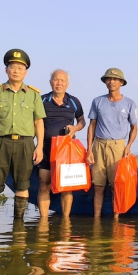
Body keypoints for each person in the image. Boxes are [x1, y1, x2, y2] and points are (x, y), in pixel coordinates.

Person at [0, 49, 46, 220]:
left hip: (25, 143)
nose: (16, 71)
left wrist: (39, 147)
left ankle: (19, 224)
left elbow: (39, 122)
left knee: (22, 185)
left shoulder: (33, 94)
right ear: (6, 70)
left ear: (26, 72)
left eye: (20, 68)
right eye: (12, 67)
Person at [86, 68, 138, 218]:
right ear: (105, 82)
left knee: (117, 185)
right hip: (99, 145)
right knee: (98, 186)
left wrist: (128, 146)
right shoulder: (97, 101)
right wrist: (89, 149)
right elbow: (92, 126)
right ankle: (96, 220)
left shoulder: (129, 103)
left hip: (118, 146)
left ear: (121, 82)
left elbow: (134, 127)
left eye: (115, 79)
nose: (112, 82)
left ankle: (116, 219)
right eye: (108, 79)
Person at [37, 69, 86, 221]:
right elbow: (35, 122)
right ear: (50, 82)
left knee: (66, 186)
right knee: (44, 184)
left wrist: (75, 128)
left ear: (67, 84)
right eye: (56, 80)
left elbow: (82, 121)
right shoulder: (41, 100)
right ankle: (43, 222)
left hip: (66, 150)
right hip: (45, 148)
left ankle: (65, 220)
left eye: (62, 80)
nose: (59, 83)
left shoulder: (74, 101)